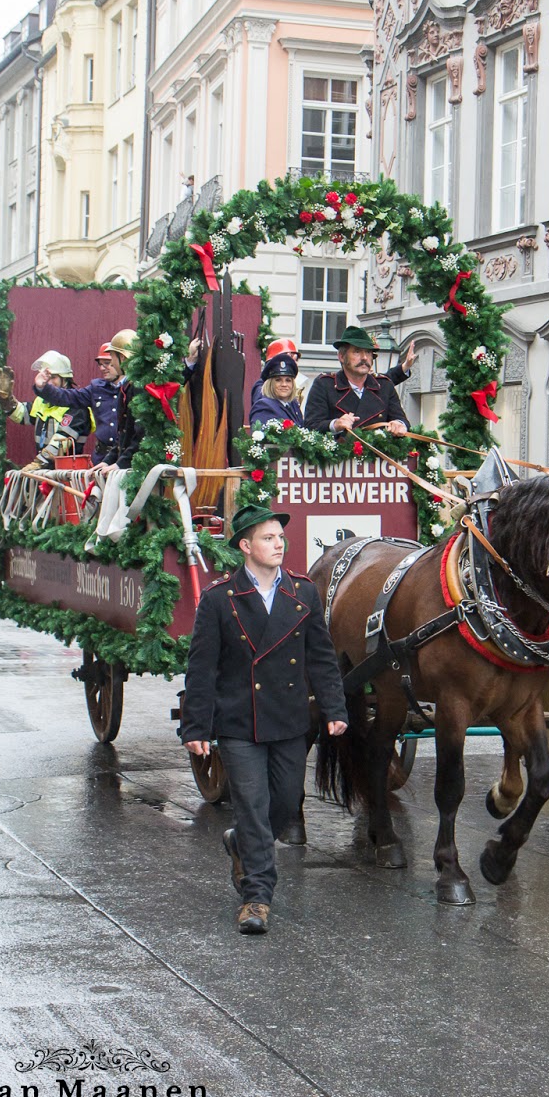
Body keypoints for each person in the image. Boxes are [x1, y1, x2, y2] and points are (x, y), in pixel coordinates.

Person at [179, 506, 348, 934]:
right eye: (269, 538)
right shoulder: (220, 599)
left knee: (286, 804)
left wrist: (334, 709)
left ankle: (239, 843)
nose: (279, 544)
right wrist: (196, 726)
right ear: (245, 546)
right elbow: (202, 667)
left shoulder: (303, 593)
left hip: (290, 719)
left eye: (279, 537)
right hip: (239, 722)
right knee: (252, 808)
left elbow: (322, 658)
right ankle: (256, 898)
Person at [32, 330, 140, 477]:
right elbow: (69, 397)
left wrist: (120, 462)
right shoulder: (96, 389)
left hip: (128, 459)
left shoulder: (133, 387)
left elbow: (138, 433)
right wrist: (43, 388)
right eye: (100, 364)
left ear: (122, 358)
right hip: (103, 458)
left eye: (108, 363)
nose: (103, 368)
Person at [303, 326, 410, 438]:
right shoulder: (324, 384)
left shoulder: (384, 386)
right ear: (342, 357)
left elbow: (403, 421)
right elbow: (310, 426)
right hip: (339, 454)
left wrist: (399, 425)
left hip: (376, 454)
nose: (364, 358)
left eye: (368, 352)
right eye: (357, 352)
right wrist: (335, 425)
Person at [0, 350, 93, 466]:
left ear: (65, 379)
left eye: (53, 377)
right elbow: (20, 415)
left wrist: (38, 464)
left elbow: (61, 442)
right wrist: (6, 398)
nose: (49, 382)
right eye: (46, 377)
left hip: (68, 473)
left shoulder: (77, 407)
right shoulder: (42, 403)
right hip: (45, 469)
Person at [249, 339, 306, 429]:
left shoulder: (291, 401)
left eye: (288, 380)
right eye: (289, 358)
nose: (284, 384)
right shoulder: (262, 392)